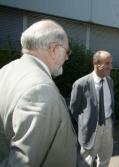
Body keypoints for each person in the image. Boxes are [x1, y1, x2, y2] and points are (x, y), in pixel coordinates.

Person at [0, 19, 77, 166]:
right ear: (54, 49)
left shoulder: (5, 71)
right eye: (67, 52)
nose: (67, 57)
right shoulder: (41, 90)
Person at [70, 50, 114, 167]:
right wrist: (85, 121)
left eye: (111, 63)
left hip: (107, 124)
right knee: (86, 161)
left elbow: (111, 104)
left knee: (105, 158)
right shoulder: (81, 84)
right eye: (107, 63)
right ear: (96, 64)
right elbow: (74, 110)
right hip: (90, 126)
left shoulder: (110, 81)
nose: (111, 67)